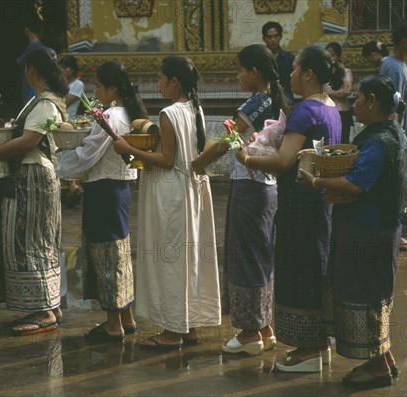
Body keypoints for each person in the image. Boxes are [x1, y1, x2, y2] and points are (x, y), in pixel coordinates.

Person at [234, 45, 343, 372]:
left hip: (300, 200)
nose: (291, 75)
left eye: (295, 69)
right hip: (322, 198)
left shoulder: (304, 111)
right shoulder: (330, 107)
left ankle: (308, 349)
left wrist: (248, 158)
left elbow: (283, 161)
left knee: (300, 268)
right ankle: (318, 344)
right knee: (317, 264)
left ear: (309, 74)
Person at [298, 74, 405, 389]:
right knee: (376, 295)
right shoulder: (389, 133)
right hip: (380, 227)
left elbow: (356, 183)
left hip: (368, 232)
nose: (353, 104)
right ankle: (384, 358)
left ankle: (375, 366)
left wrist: (316, 181)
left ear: (372, 101)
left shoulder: (378, 141)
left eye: (357, 98)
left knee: (366, 295)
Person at [112, 55, 221, 348]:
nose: (158, 85)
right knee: (189, 258)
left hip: (171, 193)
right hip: (192, 188)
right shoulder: (194, 107)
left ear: (174, 82)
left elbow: (166, 159)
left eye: (161, 79)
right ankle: (189, 326)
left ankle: (173, 332)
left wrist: (129, 150)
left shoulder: (169, 112)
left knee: (170, 258)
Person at [192, 44, 290, 355]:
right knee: (260, 255)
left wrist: (198, 162)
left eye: (240, 70)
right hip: (268, 186)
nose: (238, 76)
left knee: (244, 254)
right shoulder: (277, 100)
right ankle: (264, 326)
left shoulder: (258, 102)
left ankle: (250, 333)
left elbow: (226, 142)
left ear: (254, 72)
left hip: (251, 185)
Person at [0, 48, 68, 336]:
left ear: (31, 70)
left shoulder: (44, 103)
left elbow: (29, 140)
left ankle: (44, 310)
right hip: (31, 175)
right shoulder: (42, 100)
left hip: (33, 176)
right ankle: (49, 306)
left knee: (30, 239)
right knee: (36, 238)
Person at [56, 61, 145, 342]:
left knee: (106, 254)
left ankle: (113, 324)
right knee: (118, 252)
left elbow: (87, 155)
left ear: (112, 88)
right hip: (117, 190)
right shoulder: (128, 112)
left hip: (104, 191)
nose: (96, 91)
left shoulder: (111, 116)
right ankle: (126, 318)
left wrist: (57, 162)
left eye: (99, 86)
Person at [380, 19, 407, 252]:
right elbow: (392, 105)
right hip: (397, 131)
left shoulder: (396, 64)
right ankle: (395, 232)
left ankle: (396, 230)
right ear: (405, 42)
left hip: (399, 130)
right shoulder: (395, 67)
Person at [18, 21, 56, 104]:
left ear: (27, 30)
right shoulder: (39, 46)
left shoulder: (34, 46)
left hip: (33, 86)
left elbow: (20, 63)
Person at [325, 42, 354, 143]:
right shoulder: (323, 71)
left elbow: (347, 90)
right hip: (327, 110)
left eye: (332, 55)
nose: (330, 58)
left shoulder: (345, 71)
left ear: (338, 56)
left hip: (342, 111)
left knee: (343, 140)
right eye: (327, 55)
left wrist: (328, 93)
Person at [262, 21, 294, 103]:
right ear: (264, 39)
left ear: (280, 37)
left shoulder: (289, 58)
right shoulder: (260, 58)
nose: (273, 40)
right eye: (269, 37)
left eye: (275, 36)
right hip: (265, 100)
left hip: (286, 100)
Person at [58, 55, 84, 120]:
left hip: (70, 120)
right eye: (61, 68)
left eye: (65, 68)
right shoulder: (59, 82)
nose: (62, 70)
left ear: (72, 69)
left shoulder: (78, 84)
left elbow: (64, 104)